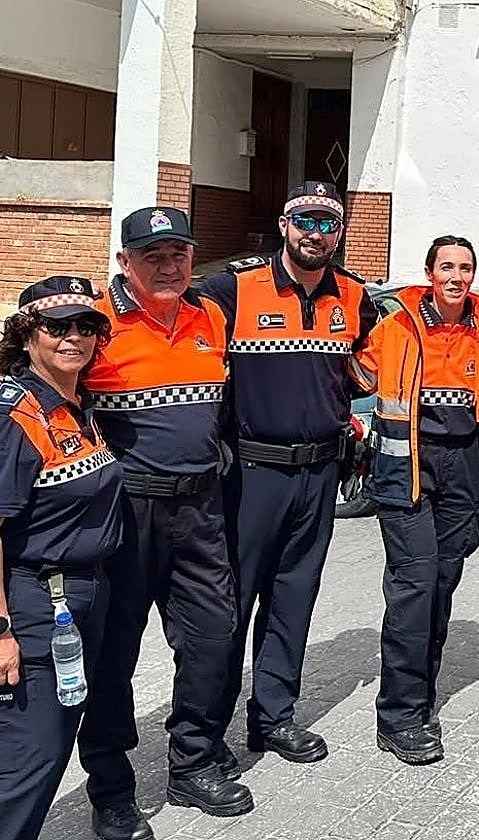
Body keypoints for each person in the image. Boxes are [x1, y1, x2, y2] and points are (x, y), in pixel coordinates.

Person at [75, 207, 251, 840]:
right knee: (113, 654)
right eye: (152, 255)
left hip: (200, 509)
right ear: (125, 262)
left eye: (178, 253)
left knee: (213, 636)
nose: (168, 265)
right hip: (126, 514)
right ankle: (112, 789)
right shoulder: (94, 324)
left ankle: (193, 761)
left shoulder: (211, 315)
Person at [200, 181, 376, 768]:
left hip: (321, 473)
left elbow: (372, 367)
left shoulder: (354, 297)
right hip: (252, 474)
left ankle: (273, 718)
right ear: (284, 224)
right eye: (305, 220)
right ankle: (206, 733)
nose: (315, 233)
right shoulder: (232, 289)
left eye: (328, 223)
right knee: (232, 605)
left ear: (340, 232)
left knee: (293, 598)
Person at [347, 235, 479, 764]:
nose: (456, 277)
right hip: (406, 469)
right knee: (414, 586)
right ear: (429, 271)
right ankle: (399, 715)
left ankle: (422, 695)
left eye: (465, 267)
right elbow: (349, 374)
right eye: (446, 267)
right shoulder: (394, 327)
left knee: (440, 584)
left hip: (463, 471)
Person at [0, 277, 123, 840]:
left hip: (80, 593)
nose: (74, 337)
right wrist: (1, 629)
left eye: (86, 325)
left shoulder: (78, 403)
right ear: (28, 335)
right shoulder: (18, 414)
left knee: (42, 748)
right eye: (57, 327)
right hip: (36, 602)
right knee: (32, 756)